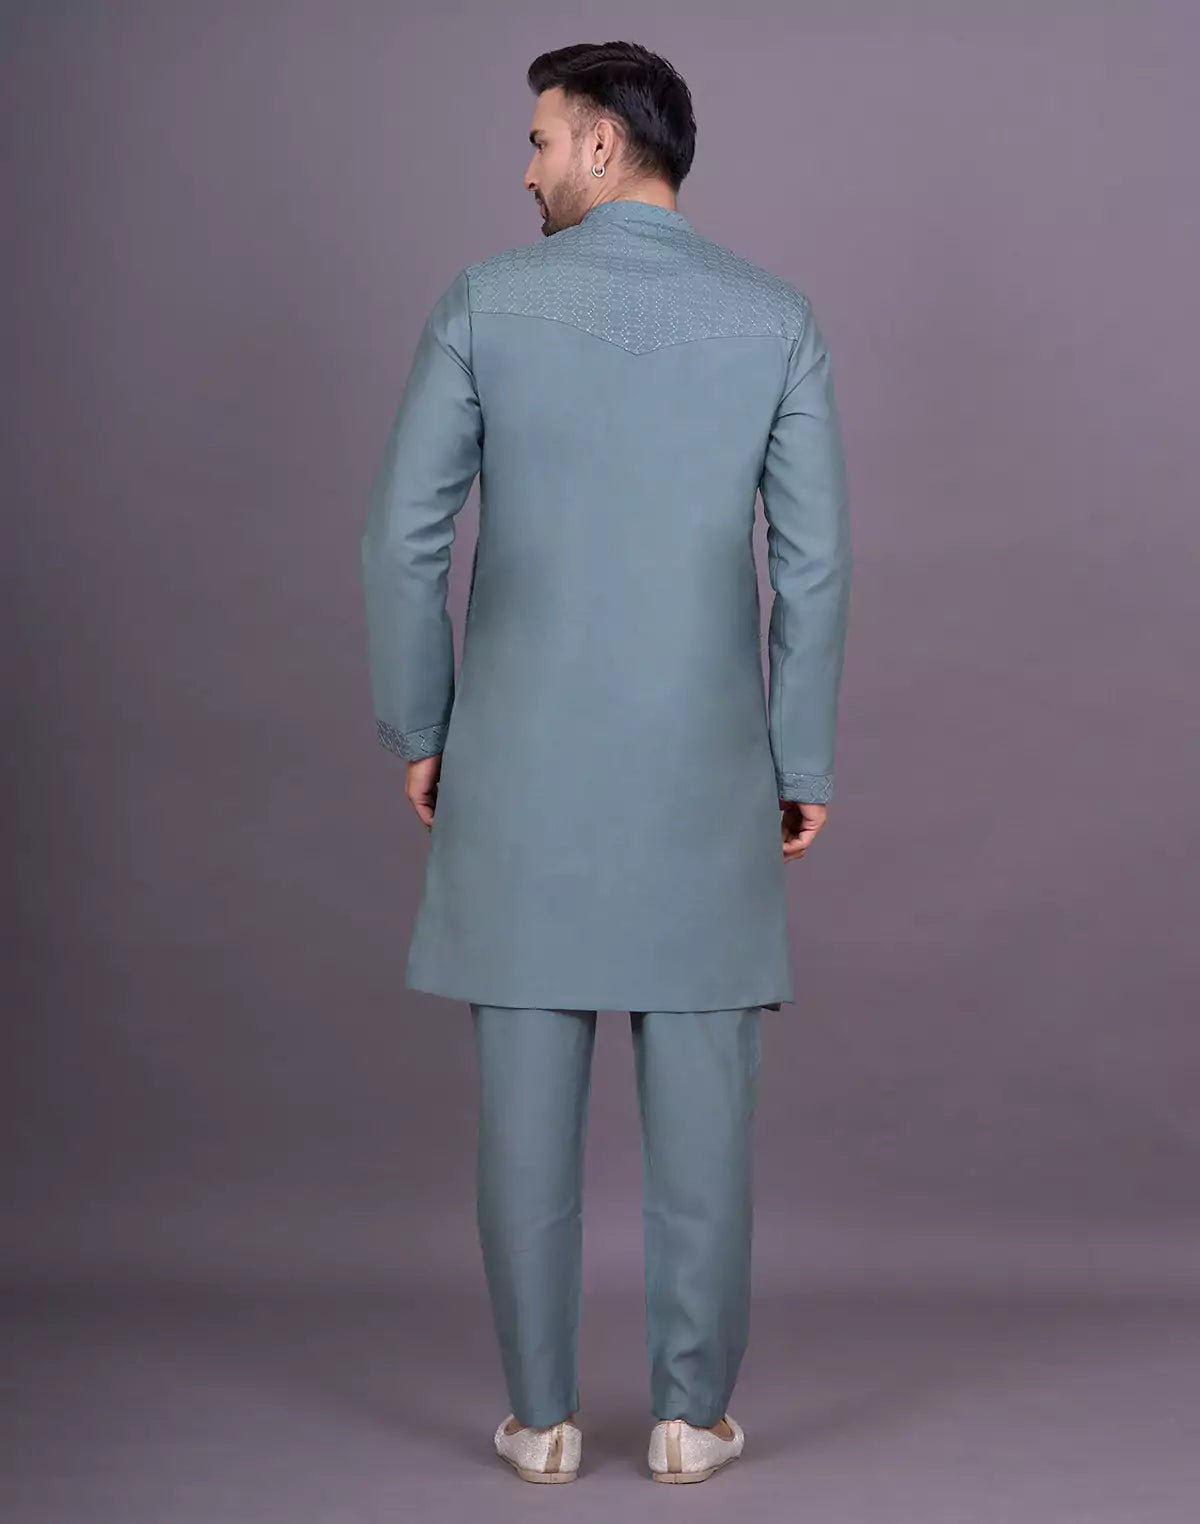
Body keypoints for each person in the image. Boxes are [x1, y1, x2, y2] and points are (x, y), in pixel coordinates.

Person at [359, 39, 852, 1485]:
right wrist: (800, 755)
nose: (523, 169)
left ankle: (539, 1419)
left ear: (600, 143)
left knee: (523, 1116)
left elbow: (401, 541)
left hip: (514, 772)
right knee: (705, 1118)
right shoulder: (776, 318)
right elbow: (813, 568)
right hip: (709, 775)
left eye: (538, 140)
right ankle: (693, 1419)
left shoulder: (483, 303)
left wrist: (424, 727)